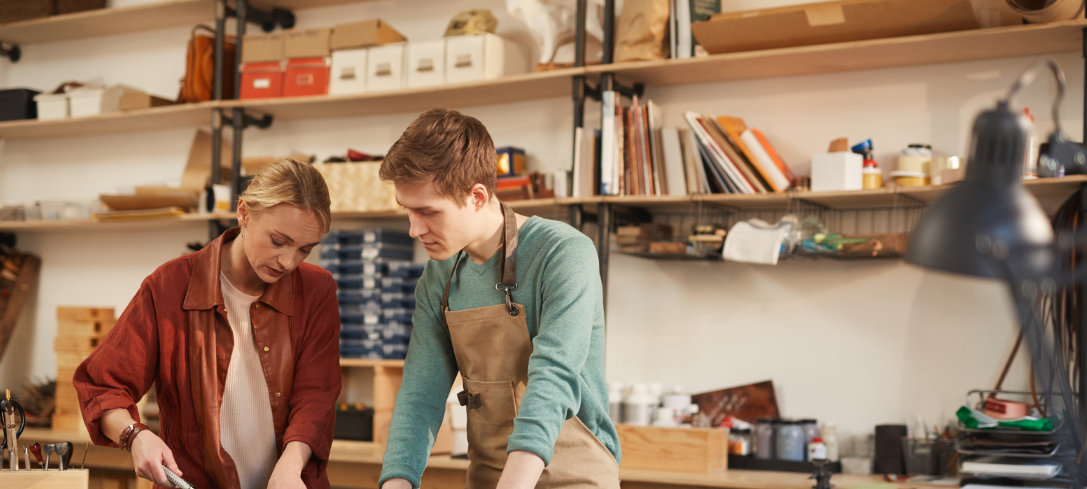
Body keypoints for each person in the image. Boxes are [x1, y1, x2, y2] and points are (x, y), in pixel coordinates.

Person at [377, 108, 621, 489]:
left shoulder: (564, 253)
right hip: (489, 477)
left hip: (575, 475)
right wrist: (397, 481)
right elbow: (420, 392)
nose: (414, 229)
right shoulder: (439, 276)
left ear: (476, 196)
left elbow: (553, 378)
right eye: (407, 211)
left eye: (428, 212)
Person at [73, 158, 342, 489]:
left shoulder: (316, 290)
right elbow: (102, 386)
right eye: (278, 241)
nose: (289, 262)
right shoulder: (170, 286)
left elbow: (317, 393)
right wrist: (135, 435)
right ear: (243, 213)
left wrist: (291, 464)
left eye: (305, 249)